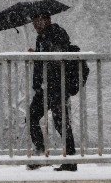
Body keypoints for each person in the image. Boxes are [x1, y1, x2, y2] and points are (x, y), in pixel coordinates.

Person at [27, 14, 77, 172]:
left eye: (38, 20)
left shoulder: (58, 32)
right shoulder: (40, 37)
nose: (35, 24)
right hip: (45, 87)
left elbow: (58, 55)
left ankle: (70, 161)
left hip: (58, 85)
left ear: (47, 19)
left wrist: (40, 55)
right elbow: (45, 59)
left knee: (61, 123)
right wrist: (36, 55)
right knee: (32, 116)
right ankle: (40, 149)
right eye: (34, 21)